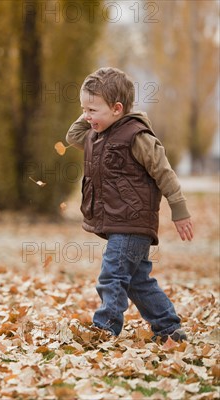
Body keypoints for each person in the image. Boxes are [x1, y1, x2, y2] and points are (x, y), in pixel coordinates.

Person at [66, 67, 194, 343]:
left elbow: (164, 172)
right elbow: (73, 136)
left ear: (117, 108)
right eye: (83, 109)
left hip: (133, 221)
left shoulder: (138, 137)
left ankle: (105, 328)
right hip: (120, 220)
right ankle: (169, 329)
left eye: (92, 110)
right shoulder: (98, 135)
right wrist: (92, 110)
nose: (86, 117)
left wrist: (179, 209)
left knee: (112, 274)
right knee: (138, 281)